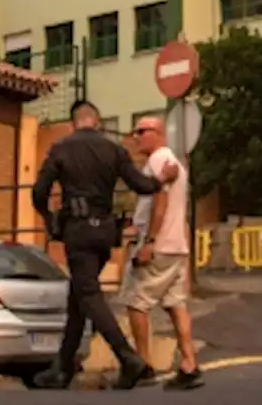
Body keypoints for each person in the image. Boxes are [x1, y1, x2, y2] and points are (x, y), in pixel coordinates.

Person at [30, 100, 178, 391]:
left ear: (74, 123)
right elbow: (142, 185)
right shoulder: (113, 149)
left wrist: (50, 220)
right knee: (79, 297)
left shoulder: (62, 148)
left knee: (88, 294)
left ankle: (129, 359)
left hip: (78, 232)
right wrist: (162, 178)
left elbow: (39, 192)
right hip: (104, 233)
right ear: (96, 122)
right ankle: (62, 368)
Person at [124, 115, 203, 390]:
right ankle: (190, 363)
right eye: (135, 131)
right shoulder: (174, 163)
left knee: (136, 302)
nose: (135, 136)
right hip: (176, 247)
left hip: (159, 247)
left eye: (141, 131)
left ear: (157, 133)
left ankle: (143, 366)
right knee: (175, 304)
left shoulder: (159, 161)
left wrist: (149, 242)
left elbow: (161, 202)